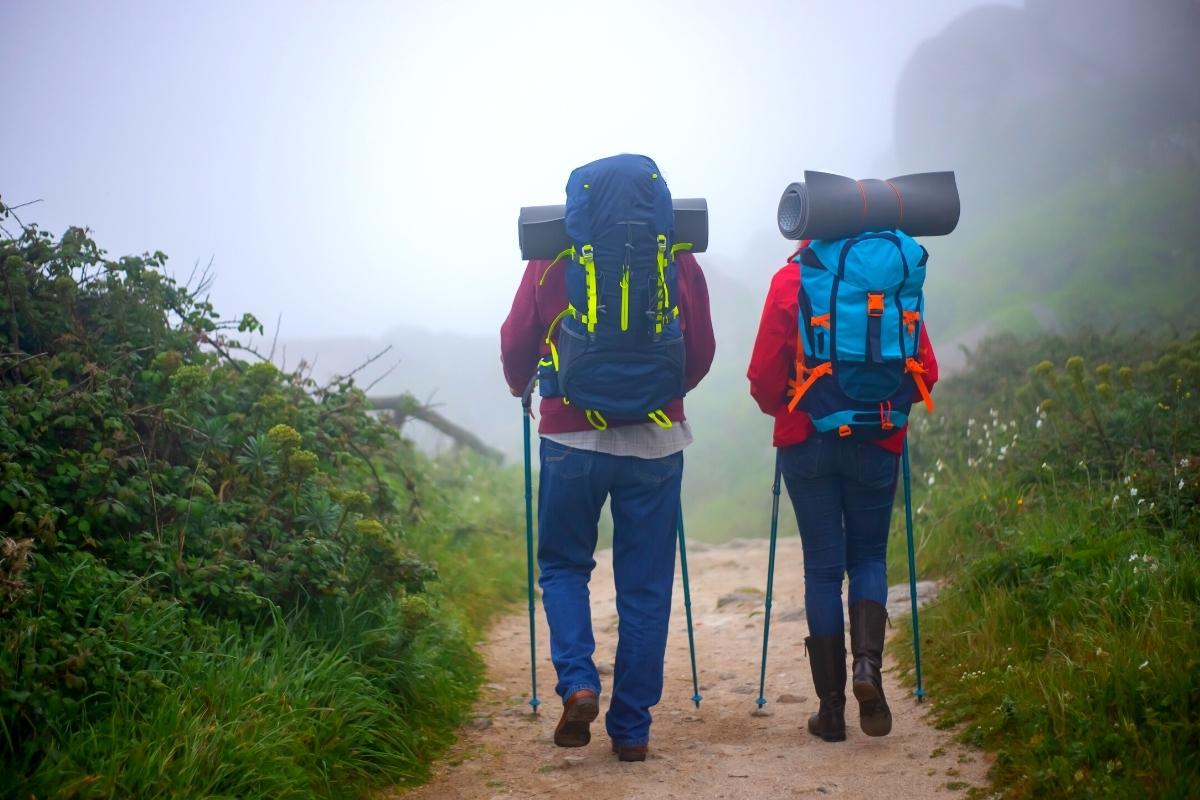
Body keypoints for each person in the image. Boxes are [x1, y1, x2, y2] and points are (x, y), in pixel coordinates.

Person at [500, 212, 715, 762]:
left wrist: (522, 385)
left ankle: (578, 684)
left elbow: (517, 339)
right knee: (644, 587)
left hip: (572, 437)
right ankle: (633, 729)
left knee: (565, 567)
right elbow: (702, 348)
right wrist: (663, 391)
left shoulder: (556, 250)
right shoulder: (674, 250)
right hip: (658, 441)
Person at [746, 241, 938, 742]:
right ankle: (867, 671)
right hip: (878, 436)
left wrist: (786, 406)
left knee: (823, 570)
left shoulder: (792, 281)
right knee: (870, 558)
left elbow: (763, 379)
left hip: (806, 440)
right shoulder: (894, 278)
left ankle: (831, 711)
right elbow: (927, 371)